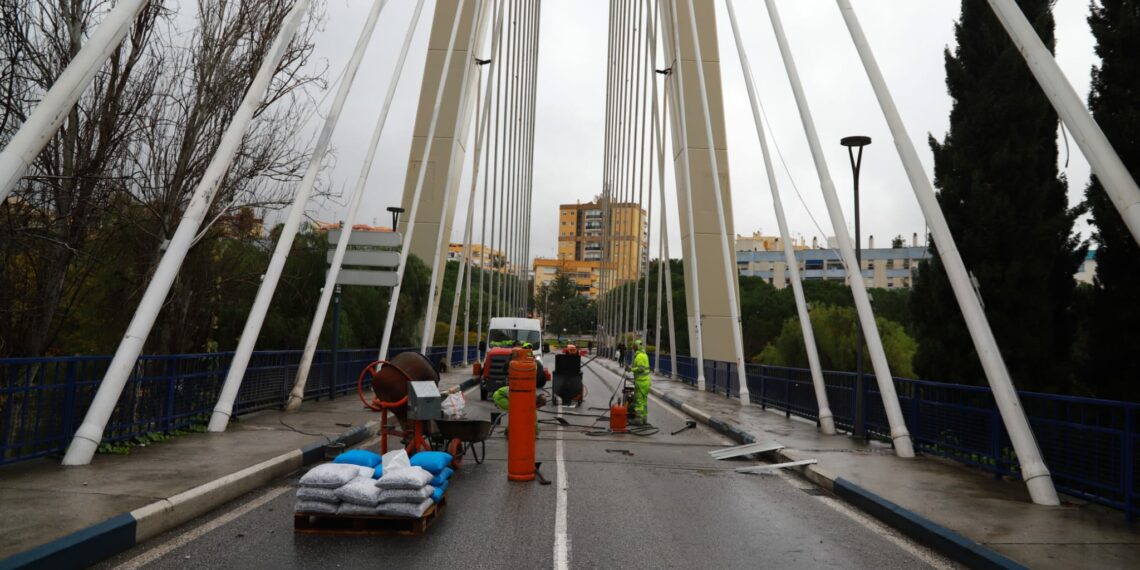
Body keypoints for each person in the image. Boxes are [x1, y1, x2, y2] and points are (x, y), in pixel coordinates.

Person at [629, 339, 651, 426]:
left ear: (637, 347)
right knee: (644, 402)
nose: (633, 348)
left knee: (639, 402)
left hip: (641, 382)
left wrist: (631, 369)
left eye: (634, 347)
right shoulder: (645, 355)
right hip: (646, 382)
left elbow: (641, 369)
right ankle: (644, 419)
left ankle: (638, 420)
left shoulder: (639, 356)